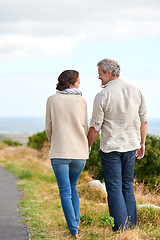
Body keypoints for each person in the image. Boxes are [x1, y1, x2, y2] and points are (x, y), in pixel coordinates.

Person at [88, 59, 148, 231]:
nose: (98, 77)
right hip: (131, 146)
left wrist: (87, 145)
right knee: (127, 185)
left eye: (100, 73)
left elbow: (95, 127)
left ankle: (121, 228)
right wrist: (142, 143)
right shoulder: (136, 90)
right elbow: (143, 121)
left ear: (108, 73)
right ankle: (132, 225)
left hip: (111, 149)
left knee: (114, 187)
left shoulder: (102, 95)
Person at [45, 70, 89, 239]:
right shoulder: (82, 101)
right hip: (80, 153)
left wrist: (54, 143)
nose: (80, 84)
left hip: (59, 152)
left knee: (65, 191)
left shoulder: (52, 100)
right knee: (73, 187)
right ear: (71, 84)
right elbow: (85, 127)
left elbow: (49, 127)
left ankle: (73, 230)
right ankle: (75, 225)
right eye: (78, 81)